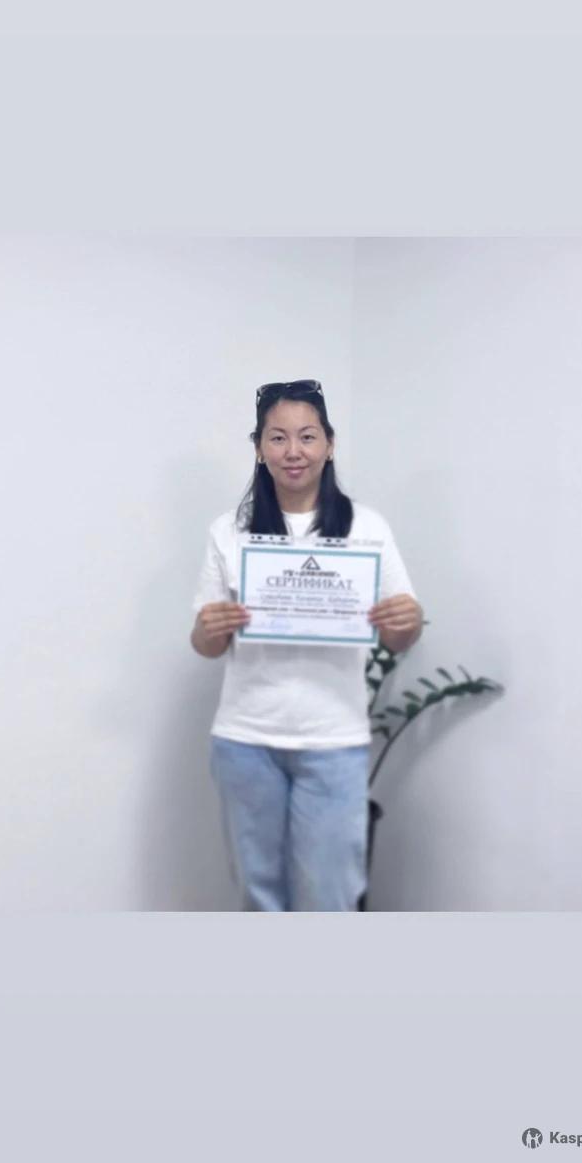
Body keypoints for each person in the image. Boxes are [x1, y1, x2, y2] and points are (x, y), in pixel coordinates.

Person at [190, 380, 423, 911]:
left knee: (330, 894)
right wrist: (209, 628)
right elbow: (206, 645)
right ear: (259, 449)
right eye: (277, 438)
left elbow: (398, 635)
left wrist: (407, 620)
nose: (293, 451)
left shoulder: (366, 527)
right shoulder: (229, 531)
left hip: (334, 739)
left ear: (329, 444)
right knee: (260, 894)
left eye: (307, 436)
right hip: (245, 739)